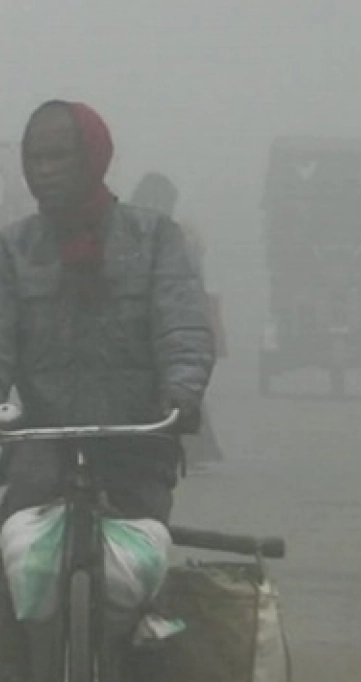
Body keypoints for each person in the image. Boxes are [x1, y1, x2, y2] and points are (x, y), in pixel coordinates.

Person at [0, 100, 216, 682]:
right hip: (40, 445)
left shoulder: (155, 240)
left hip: (137, 445)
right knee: (18, 554)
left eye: (58, 157)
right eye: (35, 158)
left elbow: (183, 324)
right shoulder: (12, 250)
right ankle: (21, 659)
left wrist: (183, 392)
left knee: (144, 603)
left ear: (94, 159)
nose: (44, 172)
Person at [128, 172, 224, 466]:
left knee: (171, 387)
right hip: (160, 322)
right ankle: (190, 451)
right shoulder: (178, 234)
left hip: (153, 323)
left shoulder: (139, 231)